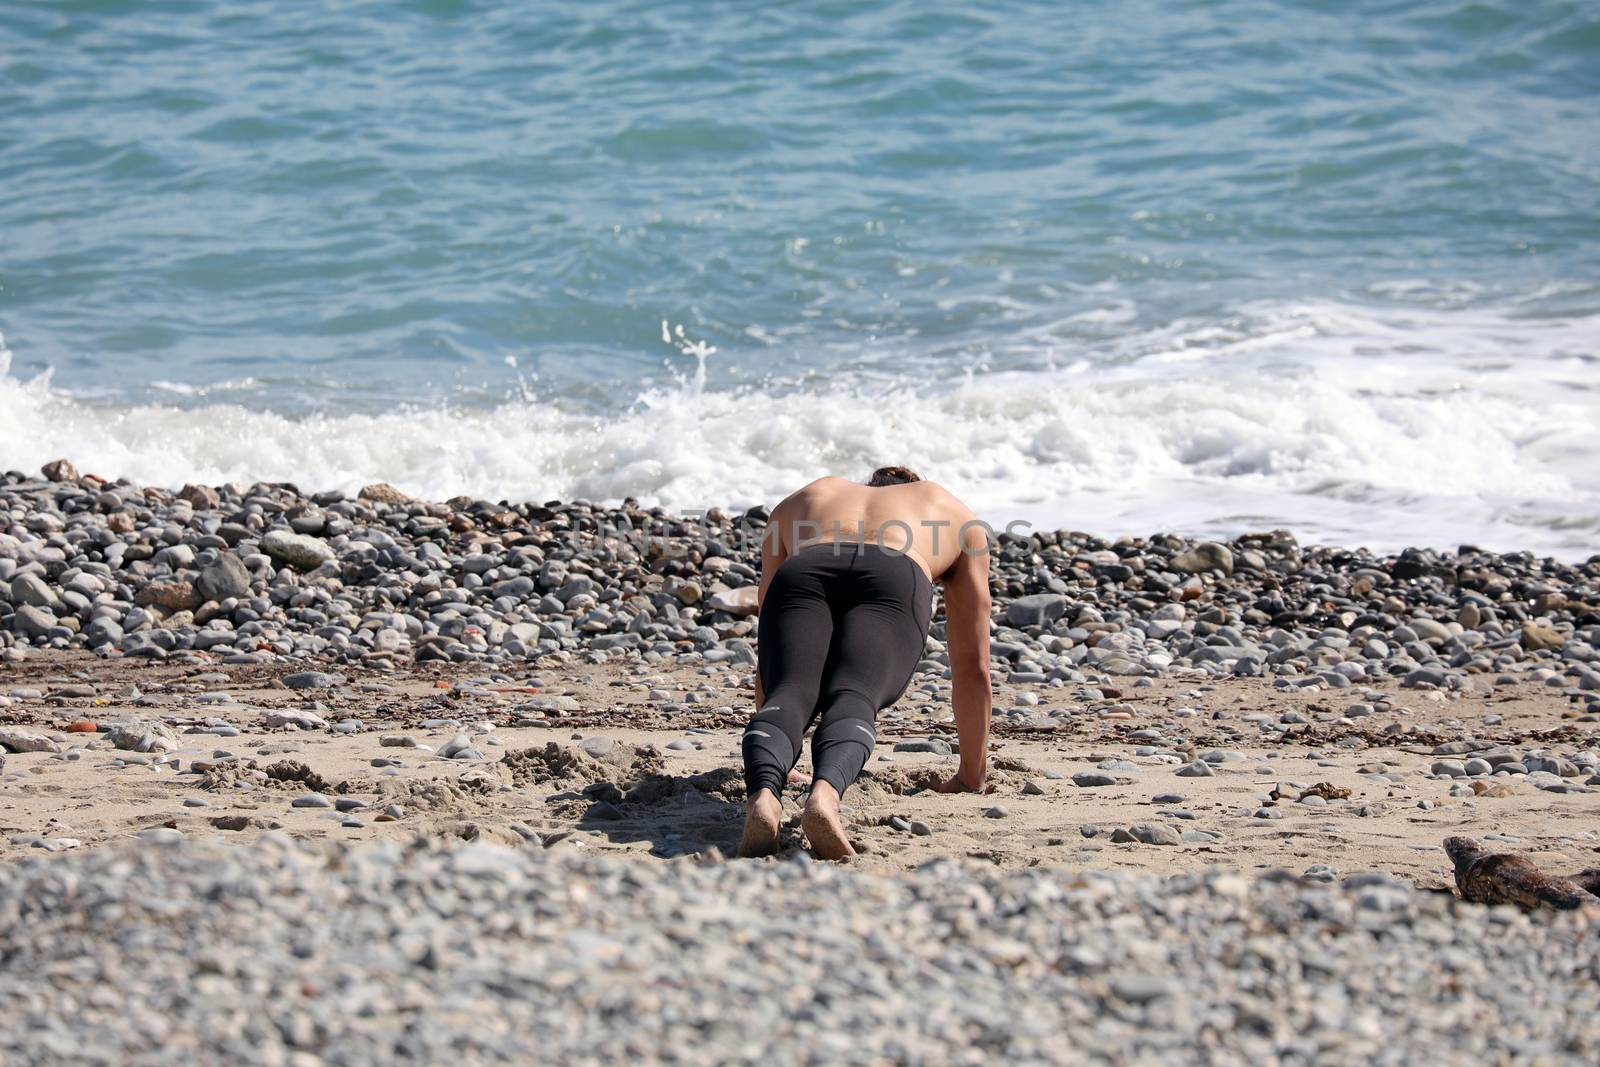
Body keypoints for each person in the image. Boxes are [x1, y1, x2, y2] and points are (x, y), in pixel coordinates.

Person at [738, 466, 993, 859]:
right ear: (912, 486)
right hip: (894, 572)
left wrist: (781, 754)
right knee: (856, 695)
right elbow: (972, 666)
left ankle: (765, 797)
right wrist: (971, 774)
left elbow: (768, 636)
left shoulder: (807, 496)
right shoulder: (949, 507)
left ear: (870, 487)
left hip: (806, 569)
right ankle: (823, 799)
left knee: (790, 690)